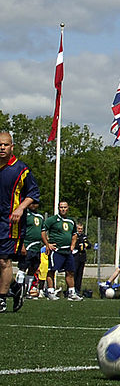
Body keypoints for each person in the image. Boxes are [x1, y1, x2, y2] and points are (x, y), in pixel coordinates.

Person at [0, 131, 39, 312]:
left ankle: (1, 299)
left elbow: (33, 194)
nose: (2, 147)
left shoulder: (21, 169)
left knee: (3, 260)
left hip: (10, 223)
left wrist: (20, 208)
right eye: (0, 144)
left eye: (5, 144)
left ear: (12, 147)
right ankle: (15, 288)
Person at [43, 200, 82, 301]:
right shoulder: (52, 220)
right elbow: (43, 231)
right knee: (52, 270)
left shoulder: (71, 221)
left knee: (70, 272)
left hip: (67, 251)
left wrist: (73, 245)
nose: (63, 209)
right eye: (61, 207)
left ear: (68, 208)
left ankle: (72, 293)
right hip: (56, 250)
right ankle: (51, 292)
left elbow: (74, 234)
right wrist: (47, 244)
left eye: (65, 207)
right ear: (58, 208)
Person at [22, 199, 46, 298]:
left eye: (35, 203)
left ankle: (27, 291)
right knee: (22, 268)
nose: (33, 205)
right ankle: (19, 290)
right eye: (31, 203)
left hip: (37, 247)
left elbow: (43, 232)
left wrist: (47, 244)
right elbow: (20, 230)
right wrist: (22, 245)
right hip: (27, 245)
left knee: (33, 269)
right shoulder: (24, 215)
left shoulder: (40, 217)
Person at [73, 223, 91, 294]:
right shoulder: (74, 235)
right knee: (74, 273)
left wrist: (84, 245)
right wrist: (80, 245)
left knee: (80, 275)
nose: (80, 230)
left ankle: (78, 290)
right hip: (75, 257)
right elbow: (75, 245)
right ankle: (72, 289)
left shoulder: (84, 236)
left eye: (81, 229)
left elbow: (89, 245)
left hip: (82, 257)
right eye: (79, 229)